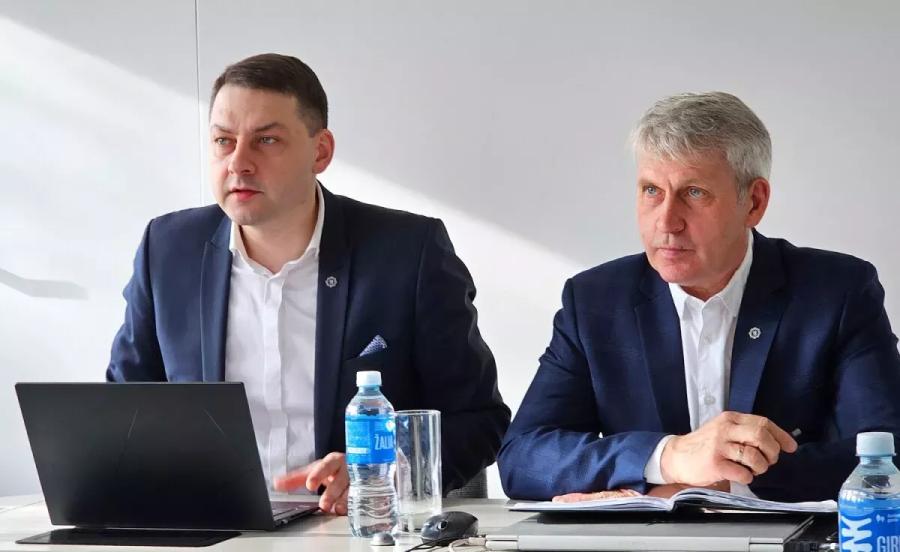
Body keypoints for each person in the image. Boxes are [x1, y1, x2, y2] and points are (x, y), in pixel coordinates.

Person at [106, 53, 510, 514]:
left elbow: (479, 419)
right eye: (223, 141)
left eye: (267, 140)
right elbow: (122, 413)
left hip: (355, 526)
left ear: (320, 152)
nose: (239, 163)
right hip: (211, 526)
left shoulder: (407, 253)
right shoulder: (168, 249)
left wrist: (385, 474)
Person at [498, 91, 900, 502]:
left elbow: (889, 452)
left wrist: (728, 480)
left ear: (754, 202)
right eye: (651, 190)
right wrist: (667, 458)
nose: (667, 222)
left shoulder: (837, 291)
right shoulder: (595, 301)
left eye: (694, 193)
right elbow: (523, 457)